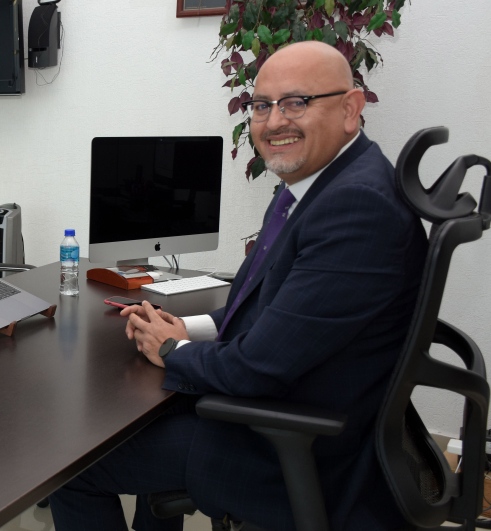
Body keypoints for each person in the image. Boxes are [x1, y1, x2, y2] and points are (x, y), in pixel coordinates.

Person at [48, 41, 428, 531]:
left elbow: (258, 368)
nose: (273, 123)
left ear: (351, 109)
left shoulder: (357, 207)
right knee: (132, 420)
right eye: (261, 106)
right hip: (289, 408)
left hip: (289, 449)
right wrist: (189, 326)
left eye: (296, 103)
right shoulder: (318, 185)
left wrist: (172, 347)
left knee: (70, 468)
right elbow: (266, 310)